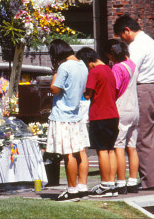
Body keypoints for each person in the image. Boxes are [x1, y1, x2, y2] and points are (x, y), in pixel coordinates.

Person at [113, 14, 154, 191]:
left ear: (127, 30)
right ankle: (152, 179)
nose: (122, 41)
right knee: (151, 137)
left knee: (141, 137)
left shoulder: (137, 45)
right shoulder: (150, 41)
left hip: (144, 90)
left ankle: (147, 181)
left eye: (121, 36)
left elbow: (129, 70)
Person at [46, 39, 89, 201]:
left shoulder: (64, 67)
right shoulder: (82, 65)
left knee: (68, 153)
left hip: (63, 115)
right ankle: (82, 186)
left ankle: (71, 190)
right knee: (81, 151)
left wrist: (55, 71)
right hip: (77, 114)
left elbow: (54, 89)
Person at [75, 47, 119, 197]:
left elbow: (88, 95)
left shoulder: (94, 72)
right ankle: (111, 184)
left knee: (101, 151)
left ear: (88, 61)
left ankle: (105, 184)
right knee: (111, 150)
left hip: (100, 115)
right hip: (113, 114)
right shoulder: (109, 69)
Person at [104, 39, 139, 195]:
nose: (109, 59)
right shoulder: (132, 64)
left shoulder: (117, 68)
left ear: (112, 53)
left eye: (109, 55)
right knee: (132, 146)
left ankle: (120, 181)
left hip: (122, 108)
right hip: (134, 109)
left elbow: (114, 88)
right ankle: (132, 180)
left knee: (118, 146)